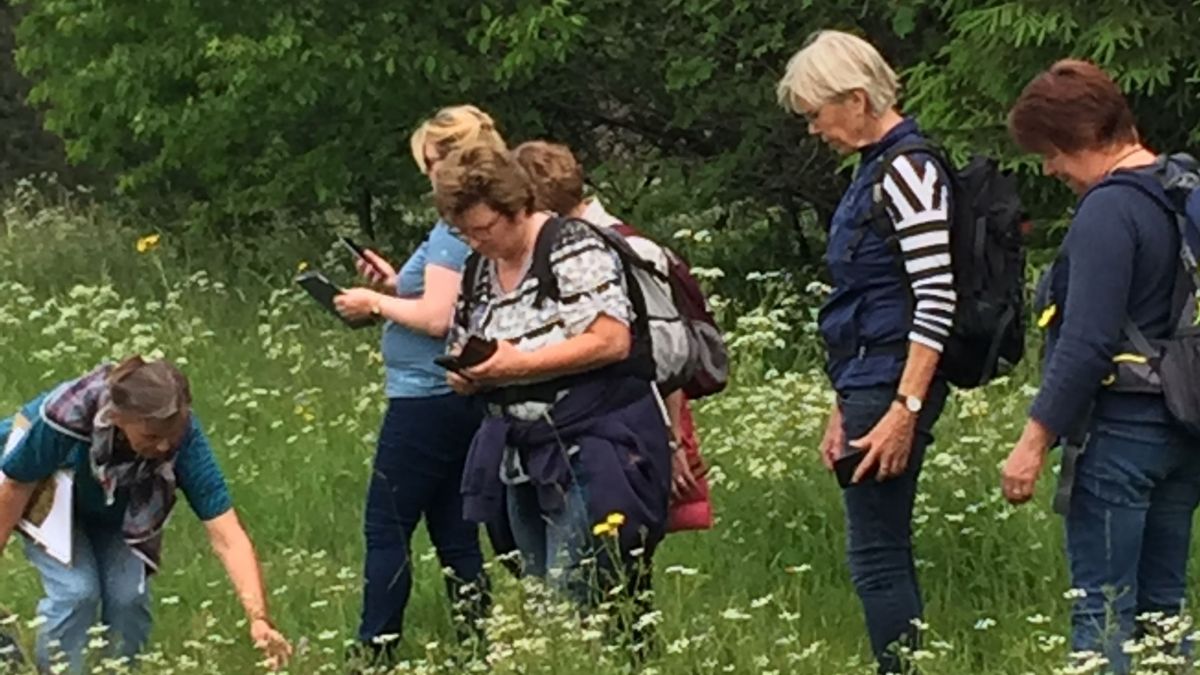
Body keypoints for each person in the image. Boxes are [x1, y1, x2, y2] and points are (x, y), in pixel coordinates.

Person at [1001, 59, 1200, 673]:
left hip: (1120, 436)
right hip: (1186, 428)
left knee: (1104, 611)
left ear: (1074, 139)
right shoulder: (1182, 190)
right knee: (1163, 609)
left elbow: (1085, 343)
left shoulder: (1109, 212)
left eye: (1051, 152)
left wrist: (1033, 442)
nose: (1051, 168)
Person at [431, 142, 673, 622]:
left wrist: (515, 365)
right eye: (465, 233)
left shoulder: (572, 245)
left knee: (575, 597)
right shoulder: (480, 268)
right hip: (519, 452)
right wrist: (471, 375)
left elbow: (610, 340)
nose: (477, 242)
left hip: (587, 445)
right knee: (541, 600)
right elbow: (468, 340)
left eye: (484, 229)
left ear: (517, 207)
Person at [776, 30, 956, 673]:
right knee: (882, 547)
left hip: (893, 382)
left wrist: (904, 407)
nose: (815, 129)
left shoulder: (908, 171)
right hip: (868, 380)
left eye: (817, 114)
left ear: (855, 99)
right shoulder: (874, 171)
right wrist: (840, 404)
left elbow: (936, 297)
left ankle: (898, 668)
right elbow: (861, 297)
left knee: (877, 553)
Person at [332, 104, 505, 661]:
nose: (427, 173)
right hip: (451, 396)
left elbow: (437, 319)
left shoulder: (456, 229)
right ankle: (475, 644)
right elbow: (441, 300)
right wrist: (393, 284)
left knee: (387, 526)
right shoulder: (469, 227)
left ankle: (375, 648)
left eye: (432, 161)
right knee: (454, 530)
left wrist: (374, 302)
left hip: (425, 398)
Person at [0, 356, 291, 673]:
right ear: (118, 417)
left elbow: (227, 535)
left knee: (129, 598)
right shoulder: (69, 414)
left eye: (173, 435)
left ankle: (122, 669)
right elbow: (15, 486)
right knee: (76, 593)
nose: (165, 446)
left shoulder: (185, 437)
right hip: (53, 501)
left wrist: (258, 618)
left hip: (120, 513)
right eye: (152, 437)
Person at [510, 139, 713, 530]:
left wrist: (673, 443)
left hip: (634, 424)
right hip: (572, 430)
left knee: (619, 550)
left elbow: (664, 353)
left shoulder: (624, 249)